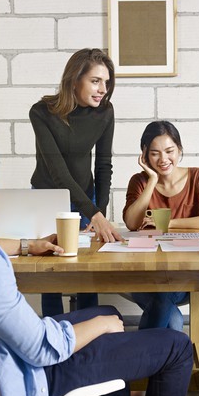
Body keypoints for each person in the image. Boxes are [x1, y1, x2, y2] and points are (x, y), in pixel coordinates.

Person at [0, 112, 193, 396]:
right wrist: (99, 326)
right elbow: (41, 348)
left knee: (107, 310)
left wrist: (26, 245)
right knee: (176, 346)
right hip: (28, 373)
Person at [29, 48, 123, 317]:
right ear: (74, 80)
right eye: (95, 81)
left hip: (86, 195)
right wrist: (93, 212)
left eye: (106, 82)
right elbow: (57, 172)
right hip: (47, 196)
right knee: (51, 271)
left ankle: (88, 331)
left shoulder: (105, 112)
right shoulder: (41, 112)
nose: (103, 89)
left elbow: (103, 165)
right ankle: (53, 332)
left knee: (87, 267)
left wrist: (98, 213)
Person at [123, 121, 199, 331]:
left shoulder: (198, 176)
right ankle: (174, 360)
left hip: (185, 272)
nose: (163, 159)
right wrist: (153, 180)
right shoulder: (139, 181)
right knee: (172, 318)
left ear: (180, 150)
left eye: (169, 151)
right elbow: (131, 222)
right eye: (155, 153)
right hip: (144, 272)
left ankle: (141, 359)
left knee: (165, 296)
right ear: (145, 155)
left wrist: (168, 224)